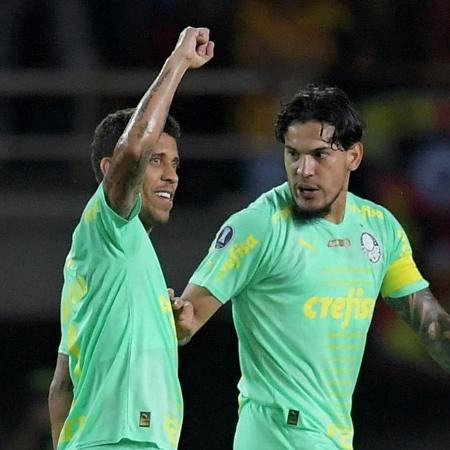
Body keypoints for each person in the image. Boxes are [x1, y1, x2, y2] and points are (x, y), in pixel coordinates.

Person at [173, 85, 450, 450]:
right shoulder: (258, 226)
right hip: (276, 434)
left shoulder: (379, 227)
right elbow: (186, 322)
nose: (304, 170)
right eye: (293, 154)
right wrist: (173, 317)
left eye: (320, 155)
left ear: (354, 156)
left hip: (335, 435)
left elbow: (427, 319)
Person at [48, 26, 214, 450]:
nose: (171, 175)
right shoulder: (107, 224)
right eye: (157, 161)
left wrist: (163, 322)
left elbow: (62, 385)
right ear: (110, 169)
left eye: (175, 163)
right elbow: (133, 151)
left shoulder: (117, 255)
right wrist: (177, 63)